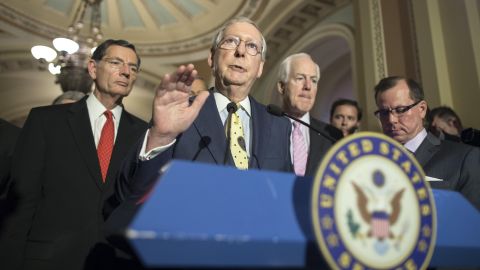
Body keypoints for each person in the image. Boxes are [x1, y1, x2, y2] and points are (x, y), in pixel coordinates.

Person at [0, 39, 148, 269]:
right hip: (46, 260)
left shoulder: (144, 134)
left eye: (133, 67)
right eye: (116, 62)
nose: (125, 72)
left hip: (112, 262)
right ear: (92, 68)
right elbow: (21, 202)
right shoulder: (46, 121)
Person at [114, 16, 292, 204]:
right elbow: (131, 194)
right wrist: (160, 137)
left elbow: (285, 198)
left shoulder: (279, 124)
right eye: (231, 41)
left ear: (260, 68)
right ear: (211, 58)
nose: (240, 51)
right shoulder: (179, 112)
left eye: (252, 46)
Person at [374, 76, 480, 211]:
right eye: (383, 112)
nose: (391, 119)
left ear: (422, 109)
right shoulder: (373, 163)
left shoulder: (464, 157)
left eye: (400, 110)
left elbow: (473, 222)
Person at [276, 53, 342, 176]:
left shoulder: (332, 136)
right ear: (281, 87)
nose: (308, 86)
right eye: (300, 78)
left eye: (313, 80)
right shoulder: (264, 129)